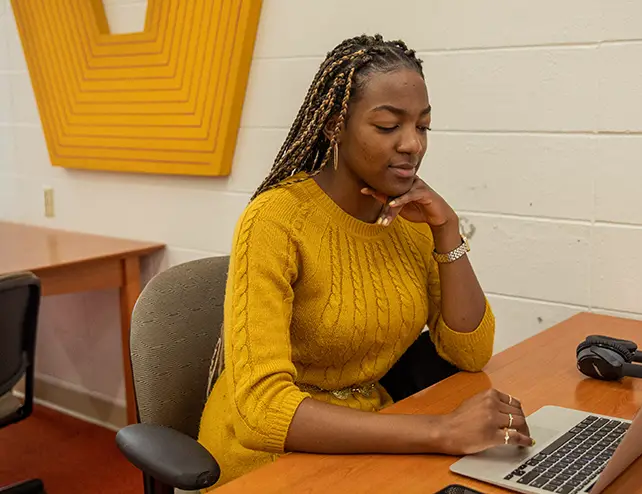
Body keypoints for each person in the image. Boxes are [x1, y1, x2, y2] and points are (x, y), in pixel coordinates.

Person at [198, 34, 533, 488]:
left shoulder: (411, 220)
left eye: (423, 126)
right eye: (388, 126)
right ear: (336, 125)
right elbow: (261, 410)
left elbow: (470, 353)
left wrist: (446, 230)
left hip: (371, 437)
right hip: (267, 460)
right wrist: (440, 430)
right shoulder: (276, 222)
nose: (413, 144)